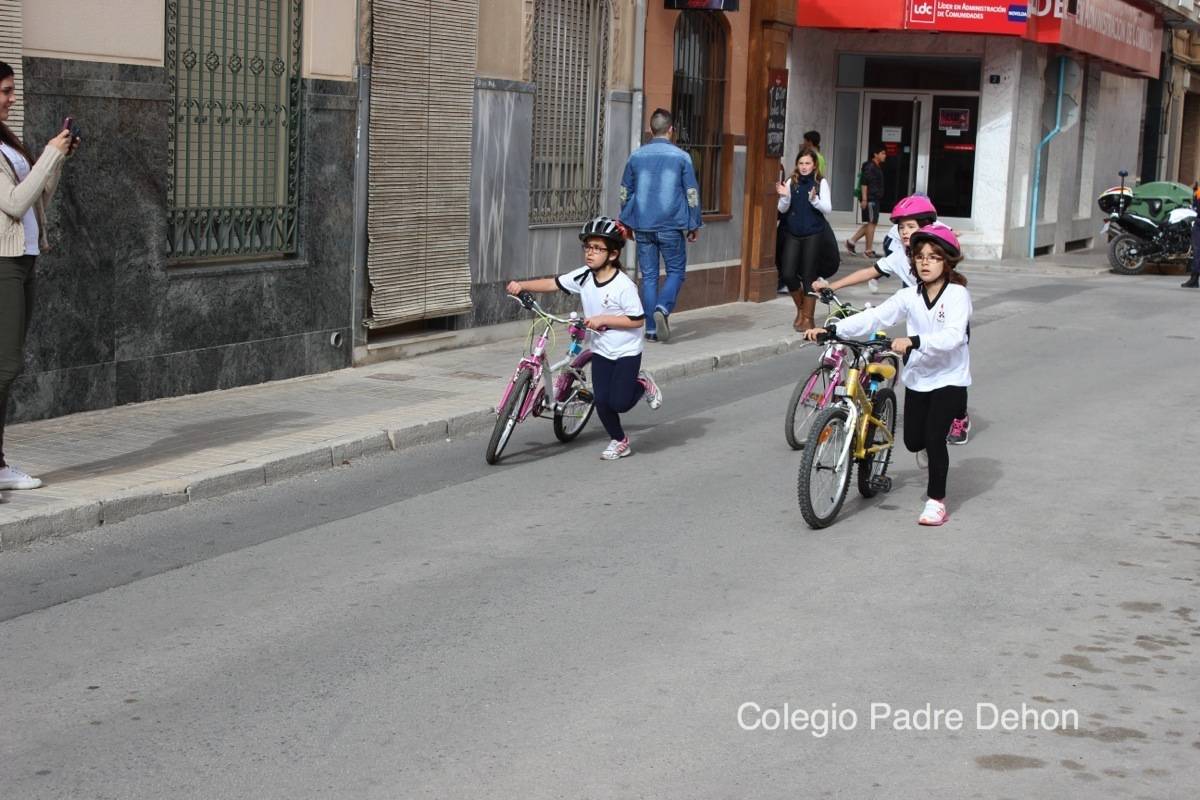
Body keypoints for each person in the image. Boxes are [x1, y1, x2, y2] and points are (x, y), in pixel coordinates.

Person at [805, 222, 971, 526]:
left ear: (947, 261)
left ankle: (936, 502)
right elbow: (875, 316)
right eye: (920, 257)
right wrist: (832, 330)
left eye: (933, 257)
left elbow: (955, 337)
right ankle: (929, 453)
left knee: (934, 439)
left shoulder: (957, 295)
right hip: (920, 377)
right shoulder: (910, 296)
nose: (925, 262)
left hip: (950, 378)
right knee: (912, 441)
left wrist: (914, 341)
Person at [505, 216, 662, 460]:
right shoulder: (584, 276)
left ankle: (642, 384)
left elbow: (638, 320)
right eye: (587, 247)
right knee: (602, 401)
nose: (590, 253)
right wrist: (521, 285)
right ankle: (620, 440)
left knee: (619, 402)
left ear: (613, 254)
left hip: (626, 350)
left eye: (597, 249)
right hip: (600, 348)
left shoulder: (623, 286)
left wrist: (603, 319)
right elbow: (553, 283)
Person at [0, 61, 76, 491]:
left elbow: (37, 197)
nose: (12, 99)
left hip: (23, 259)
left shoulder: (6, 142)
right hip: (2, 263)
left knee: (6, 366)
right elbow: (13, 203)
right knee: (5, 365)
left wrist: (57, 160)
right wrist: (48, 153)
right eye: (6, 91)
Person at [619, 108, 702, 343]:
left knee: (649, 276)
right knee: (676, 271)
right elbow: (691, 192)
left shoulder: (635, 157)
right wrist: (693, 223)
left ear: (651, 129)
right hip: (671, 224)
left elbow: (625, 192)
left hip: (643, 225)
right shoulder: (681, 157)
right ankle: (663, 309)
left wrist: (626, 220)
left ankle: (651, 329)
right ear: (671, 130)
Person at [816, 195, 936, 294]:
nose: (904, 231)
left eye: (911, 227)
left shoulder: (939, 253)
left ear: (925, 227)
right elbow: (868, 273)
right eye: (901, 227)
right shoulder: (900, 257)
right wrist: (832, 286)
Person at [776, 148, 833, 331]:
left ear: (814, 164)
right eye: (801, 163)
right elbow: (783, 209)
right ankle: (801, 308)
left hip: (814, 234)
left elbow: (828, 208)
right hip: (793, 233)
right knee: (788, 274)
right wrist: (784, 197)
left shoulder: (820, 182)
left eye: (807, 163)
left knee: (809, 275)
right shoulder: (791, 181)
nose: (804, 167)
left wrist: (815, 200)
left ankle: (808, 318)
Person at [846, 144, 887, 258]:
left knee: (871, 224)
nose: (885, 156)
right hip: (870, 199)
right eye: (882, 153)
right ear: (875, 154)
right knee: (871, 224)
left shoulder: (876, 166)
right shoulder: (870, 167)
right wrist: (864, 199)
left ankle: (851, 242)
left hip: (874, 199)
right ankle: (868, 250)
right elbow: (864, 183)